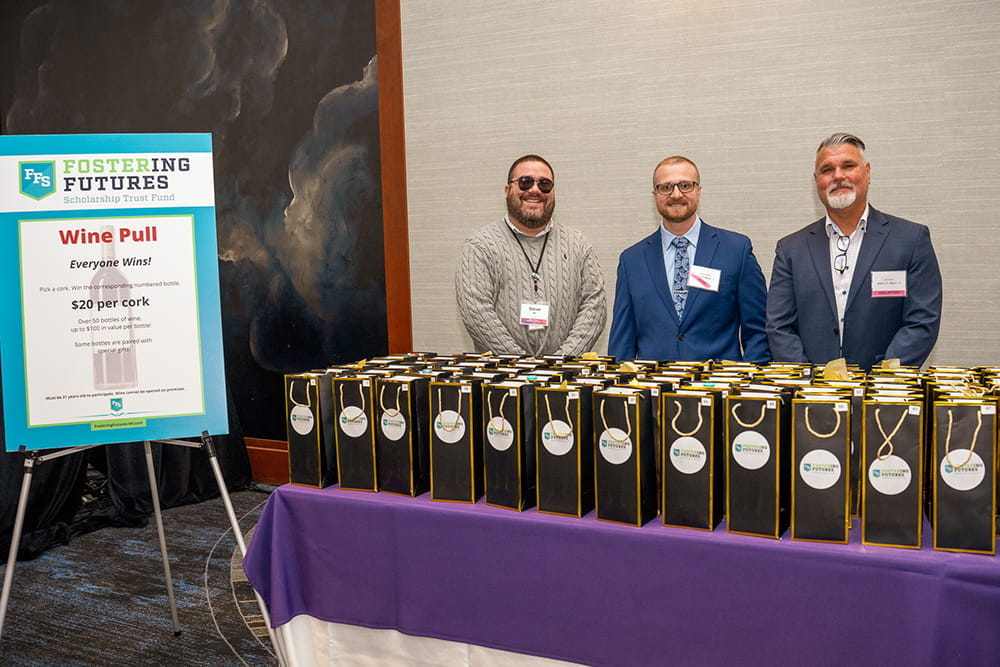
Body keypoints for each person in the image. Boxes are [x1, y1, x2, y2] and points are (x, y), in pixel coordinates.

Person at [766, 132, 942, 370]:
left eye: (848, 166)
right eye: (827, 170)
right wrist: (811, 383)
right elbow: (779, 326)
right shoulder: (791, 249)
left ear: (867, 172)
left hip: (884, 394)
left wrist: (880, 379)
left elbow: (922, 322)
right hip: (812, 396)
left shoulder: (911, 240)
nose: (838, 176)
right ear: (816, 180)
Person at [608, 156, 770, 362]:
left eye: (685, 185)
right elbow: (622, 342)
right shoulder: (631, 261)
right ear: (654, 195)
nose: (676, 194)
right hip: (653, 389)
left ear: (698, 191)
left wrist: (746, 386)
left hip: (720, 387)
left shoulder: (736, 251)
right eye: (666, 187)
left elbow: (758, 331)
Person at [456, 154, 606, 356]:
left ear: (553, 193)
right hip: (501, 378)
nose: (535, 190)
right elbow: (477, 313)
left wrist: (560, 363)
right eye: (525, 182)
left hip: (565, 379)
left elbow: (594, 308)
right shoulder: (479, 246)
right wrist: (522, 365)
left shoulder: (578, 244)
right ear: (507, 190)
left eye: (544, 184)